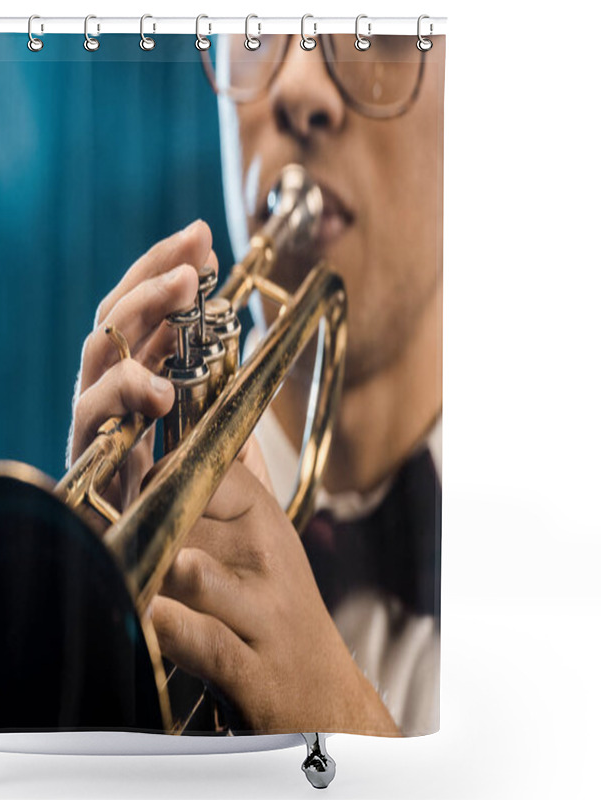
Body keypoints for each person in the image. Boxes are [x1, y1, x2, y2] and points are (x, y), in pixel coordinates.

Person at [68, 34, 443, 736]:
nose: (298, 88)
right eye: (257, 22)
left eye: (378, 27)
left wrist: (340, 722)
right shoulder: (134, 481)